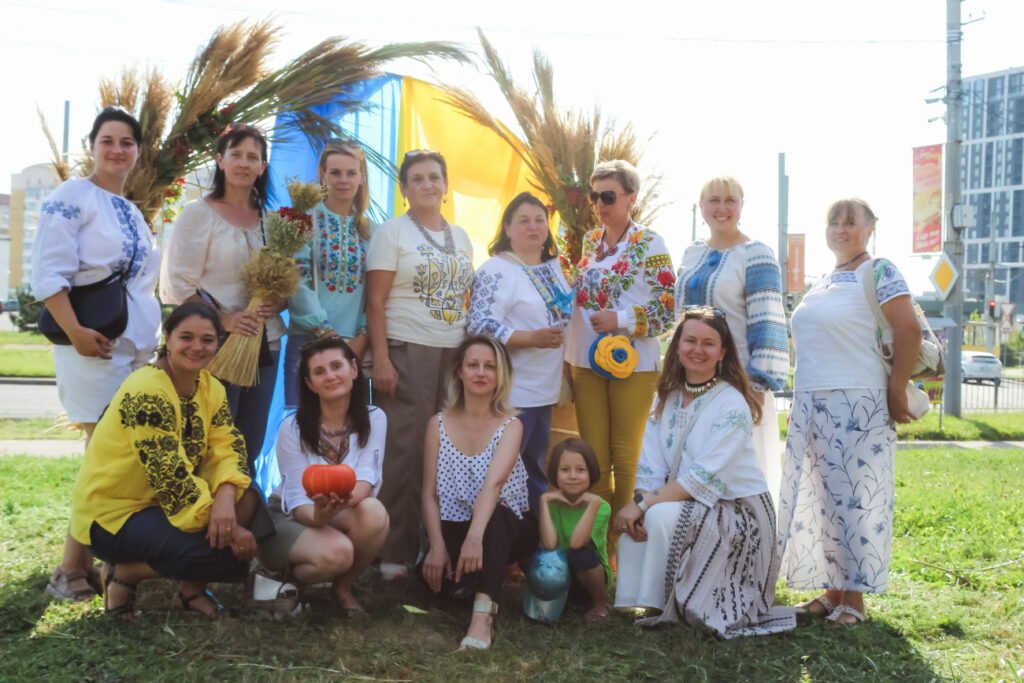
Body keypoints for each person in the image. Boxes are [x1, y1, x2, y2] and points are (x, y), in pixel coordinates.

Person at [32, 107, 161, 603]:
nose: (117, 150)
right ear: (92, 146)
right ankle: (70, 567)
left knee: (111, 459)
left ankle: (90, 562)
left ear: (138, 151)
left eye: (127, 142)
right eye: (108, 140)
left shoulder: (130, 210)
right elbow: (49, 271)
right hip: (91, 344)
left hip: (130, 350)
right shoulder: (72, 196)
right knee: (105, 457)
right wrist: (76, 332)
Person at [69, 302, 267, 618]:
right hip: (113, 516)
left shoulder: (210, 386)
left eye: (207, 339)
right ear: (168, 339)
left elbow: (228, 447)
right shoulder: (147, 390)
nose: (197, 347)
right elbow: (171, 480)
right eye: (186, 337)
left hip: (161, 507)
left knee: (249, 500)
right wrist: (228, 528)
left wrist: (226, 496)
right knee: (223, 550)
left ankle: (190, 593)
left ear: (218, 343)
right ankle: (123, 574)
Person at [613, 306, 796, 638]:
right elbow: (651, 467)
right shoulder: (665, 399)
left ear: (722, 352)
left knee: (659, 516)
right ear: (677, 346)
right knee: (641, 521)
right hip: (685, 499)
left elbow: (702, 478)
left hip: (738, 512)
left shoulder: (731, 403)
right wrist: (640, 502)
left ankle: (667, 603)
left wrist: (643, 504)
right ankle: (648, 601)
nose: (697, 350)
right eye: (690, 341)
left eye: (708, 343)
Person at [778, 198, 920, 625]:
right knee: (824, 498)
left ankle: (854, 599)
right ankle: (832, 590)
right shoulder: (825, 280)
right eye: (833, 222)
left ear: (869, 229)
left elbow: (908, 328)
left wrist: (897, 388)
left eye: (850, 222)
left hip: (857, 401)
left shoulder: (879, 271)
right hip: (813, 400)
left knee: (854, 499)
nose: (841, 228)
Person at [365, 150, 474, 578]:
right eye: (417, 178)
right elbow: (375, 302)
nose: (427, 184)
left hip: (453, 354)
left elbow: (464, 299)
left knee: (447, 451)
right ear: (405, 189)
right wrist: (382, 360)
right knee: (404, 452)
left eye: (434, 177)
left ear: (445, 185)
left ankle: (437, 549)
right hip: (406, 349)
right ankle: (393, 551)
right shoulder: (391, 232)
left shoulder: (462, 237)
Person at [160, 123, 284, 469]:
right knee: (209, 443)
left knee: (249, 444)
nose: (244, 163)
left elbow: (285, 279)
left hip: (265, 344)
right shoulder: (198, 214)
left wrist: (278, 301)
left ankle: (241, 502)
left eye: (253, 157)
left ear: (263, 166)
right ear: (220, 160)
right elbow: (178, 285)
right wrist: (224, 320)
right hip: (213, 347)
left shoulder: (272, 221)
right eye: (236, 154)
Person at [565, 160, 676, 535]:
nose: (600, 203)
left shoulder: (650, 243)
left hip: (634, 365)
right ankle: (599, 550)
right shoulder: (590, 243)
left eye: (609, 196)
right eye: (594, 196)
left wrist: (621, 319)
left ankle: (626, 551)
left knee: (629, 460)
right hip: (586, 363)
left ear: (631, 198)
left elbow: (667, 309)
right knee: (593, 459)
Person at [675, 176, 789, 507]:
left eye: (730, 200)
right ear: (701, 206)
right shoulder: (692, 252)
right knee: (692, 464)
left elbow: (768, 322)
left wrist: (757, 385)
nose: (721, 208)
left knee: (736, 474)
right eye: (714, 200)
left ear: (741, 206)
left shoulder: (756, 255)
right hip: (691, 380)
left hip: (738, 382)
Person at [258, 336, 388, 614]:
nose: (330, 376)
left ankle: (342, 588)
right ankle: (282, 579)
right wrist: (320, 515)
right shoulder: (291, 428)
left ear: (354, 369)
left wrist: (336, 504)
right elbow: (297, 500)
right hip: (292, 516)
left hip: (341, 506)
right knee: (339, 553)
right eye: (319, 371)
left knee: (374, 513)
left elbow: (367, 477)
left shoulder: (375, 417)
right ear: (310, 384)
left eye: (336, 366)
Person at [420, 335, 535, 650]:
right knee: (433, 583)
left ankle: (482, 618)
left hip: (507, 524)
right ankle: (472, 581)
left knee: (494, 521)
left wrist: (474, 538)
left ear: (501, 375)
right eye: (473, 365)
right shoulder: (437, 424)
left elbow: (493, 486)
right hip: (456, 522)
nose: (481, 373)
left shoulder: (511, 425)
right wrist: (437, 547)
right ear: (459, 371)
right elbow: (429, 494)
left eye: (490, 366)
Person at [468, 192, 573, 511]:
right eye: (524, 220)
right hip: (512, 392)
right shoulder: (496, 270)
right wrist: (531, 338)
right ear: (507, 228)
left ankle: (531, 538)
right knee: (502, 474)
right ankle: (489, 538)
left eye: (540, 220)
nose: (533, 226)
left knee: (534, 474)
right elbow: (479, 325)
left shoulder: (553, 267)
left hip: (545, 390)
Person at [284, 140, 374, 409]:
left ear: (361, 177)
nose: (343, 180)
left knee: (349, 427)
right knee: (303, 425)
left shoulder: (372, 231)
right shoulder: (303, 219)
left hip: (354, 346)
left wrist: (362, 336)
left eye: (351, 173)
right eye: (335, 172)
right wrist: (325, 331)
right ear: (322, 174)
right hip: (308, 339)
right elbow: (297, 281)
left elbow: (374, 290)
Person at [524, 437, 611, 623]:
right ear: (555, 473)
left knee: (579, 554)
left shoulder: (601, 506)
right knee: (533, 553)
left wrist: (592, 504)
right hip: (557, 574)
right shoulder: (552, 504)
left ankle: (599, 603)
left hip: (588, 577)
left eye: (581, 470)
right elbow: (549, 544)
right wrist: (544, 501)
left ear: (591, 472)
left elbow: (576, 543)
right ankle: (551, 599)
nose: (572, 476)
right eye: (565, 470)